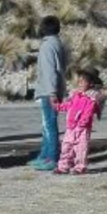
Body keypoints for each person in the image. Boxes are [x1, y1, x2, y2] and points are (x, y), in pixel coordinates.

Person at [29, 15, 68, 171]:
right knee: (47, 124)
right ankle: (44, 155)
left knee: (49, 125)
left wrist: (51, 93)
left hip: (48, 91)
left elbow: (50, 71)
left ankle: (51, 157)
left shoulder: (46, 46)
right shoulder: (58, 43)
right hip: (55, 89)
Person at [54, 68, 106, 175]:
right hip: (71, 126)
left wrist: (83, 122)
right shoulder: (75, 95)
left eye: (83, 81)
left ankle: (80, 167)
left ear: (90, 83)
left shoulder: (92, 98)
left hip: (82, 127)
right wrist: (59, 106)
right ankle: (63, 166)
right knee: (66, 146)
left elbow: (89, 111)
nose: (80, 83)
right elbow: (69, 105)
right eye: (79, 81)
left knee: (81, 148)